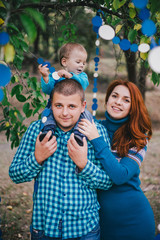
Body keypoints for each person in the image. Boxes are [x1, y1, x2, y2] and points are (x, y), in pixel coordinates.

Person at [9, 79, 112, 240]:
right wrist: (37, 158)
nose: (65, 113)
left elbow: (107, 182)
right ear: (51, 105)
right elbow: (15, 174)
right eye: (59, 106)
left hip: (85, 229)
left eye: (72, 106)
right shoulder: (37, 130)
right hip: (44, 229)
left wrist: (84, 165)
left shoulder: (96, 132)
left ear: (83, 106)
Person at [78, 79, 155, 240]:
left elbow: (120, 175)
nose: (118, 102)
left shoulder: (138, 137)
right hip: (100, 221)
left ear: (133, 107)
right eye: (115, 96)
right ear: (107, 99)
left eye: (126, 100)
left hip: (134, 221)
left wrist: (96, 139)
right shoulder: (94, 127)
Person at [38, 42, 92, 146]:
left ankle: (78, 136)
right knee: (46, 115)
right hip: (55, 107)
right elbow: (48, 90)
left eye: (84, 63)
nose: (81, 65)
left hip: (77, 110)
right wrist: (46, 77)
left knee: (87, 117)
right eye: (78, 61)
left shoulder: (82, 76)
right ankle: (48, 133)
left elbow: (83, 84)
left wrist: (70, 76)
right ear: (64, 61)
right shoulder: (57, 76)